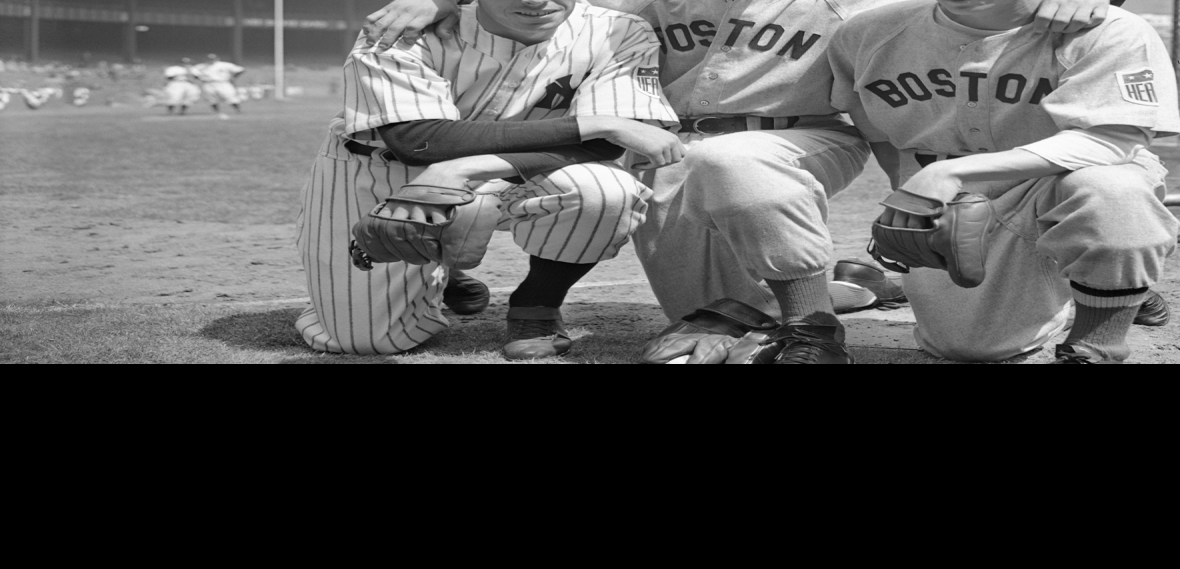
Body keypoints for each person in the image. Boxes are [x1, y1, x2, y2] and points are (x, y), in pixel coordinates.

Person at [369, 0, 1117, 365]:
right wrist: (441, 1)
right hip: (670, 149)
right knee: (702, 315)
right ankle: (852, 285)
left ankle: (810, 322)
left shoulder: (854, 2)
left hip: (803, 137)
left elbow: (962, 14)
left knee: (732, 168)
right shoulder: (647, 1)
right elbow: (552, 9)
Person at [296, 0, 682, 358]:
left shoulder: (617, 30)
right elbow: (417, 141)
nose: (537, 0)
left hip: (520, 170)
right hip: (381, 169)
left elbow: (607, 145)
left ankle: (537, 303)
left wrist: (464, 169)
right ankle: (439, 268)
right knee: (365, 342)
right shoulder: (404, 26)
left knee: (605, 191)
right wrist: (594, 122)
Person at [828, 0, 1177, 363]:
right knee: (968, 346)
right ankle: (1097, 279)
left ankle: (1100, 332)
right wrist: (913, 200)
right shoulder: (867, 32)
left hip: (1063, 181)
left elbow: (1114, 139)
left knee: (1110, 190)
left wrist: (948, 172)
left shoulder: (1105, 27)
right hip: (959, 202)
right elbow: (876, 131)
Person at [193, 54, 245, 118]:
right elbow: (194, 74)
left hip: (223, 82)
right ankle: (217, 112)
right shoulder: (201, 66)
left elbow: (240, 70)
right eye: (209, 59)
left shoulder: (224, 64)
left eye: (212, 59)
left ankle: (238, 110)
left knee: (230, 96)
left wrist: (233, 77)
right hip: (208, 83)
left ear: (217, 59)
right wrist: (200, 78)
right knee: (211, 98)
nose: (211, 60)